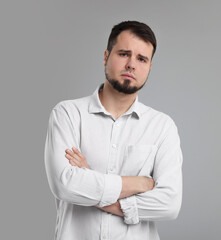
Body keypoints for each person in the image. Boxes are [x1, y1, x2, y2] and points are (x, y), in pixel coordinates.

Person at [44, 21, 183, 240]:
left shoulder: (162, 127)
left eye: (141, 59)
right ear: (106, 56)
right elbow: (65, 185)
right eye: (124, 54)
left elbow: (169, 204)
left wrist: (89, 179)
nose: (131, 65)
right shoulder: (68, 114)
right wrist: (139, 183)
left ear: (149, 67)